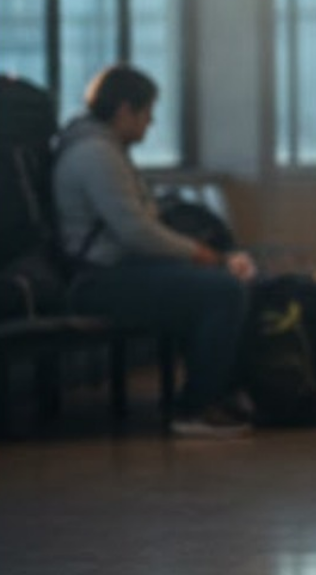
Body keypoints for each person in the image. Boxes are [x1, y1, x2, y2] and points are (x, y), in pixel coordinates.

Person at [52, 64, 257, 439]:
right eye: (147, 113)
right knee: (222, 291)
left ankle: (218, 393)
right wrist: (198, 253)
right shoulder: (96, 154)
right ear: (124, 110)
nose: (151, 123)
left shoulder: (103, 147)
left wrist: (205, 258)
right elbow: (135, 231)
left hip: (116, 271)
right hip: (98, 280)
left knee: (218, 283)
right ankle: (196, 407)